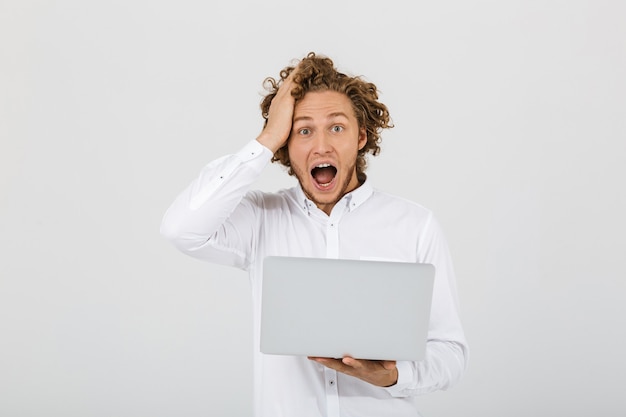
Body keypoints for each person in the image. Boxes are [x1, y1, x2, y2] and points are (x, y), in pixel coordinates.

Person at [160, 52, 468, 417]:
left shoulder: (415, 224)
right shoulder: (261, 218)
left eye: (336, 127)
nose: (321, 145)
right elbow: (181, 229)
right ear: (287, 148)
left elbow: (450, 353)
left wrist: (391, 375)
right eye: (303, 130)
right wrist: (267, 137)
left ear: (361, 137)